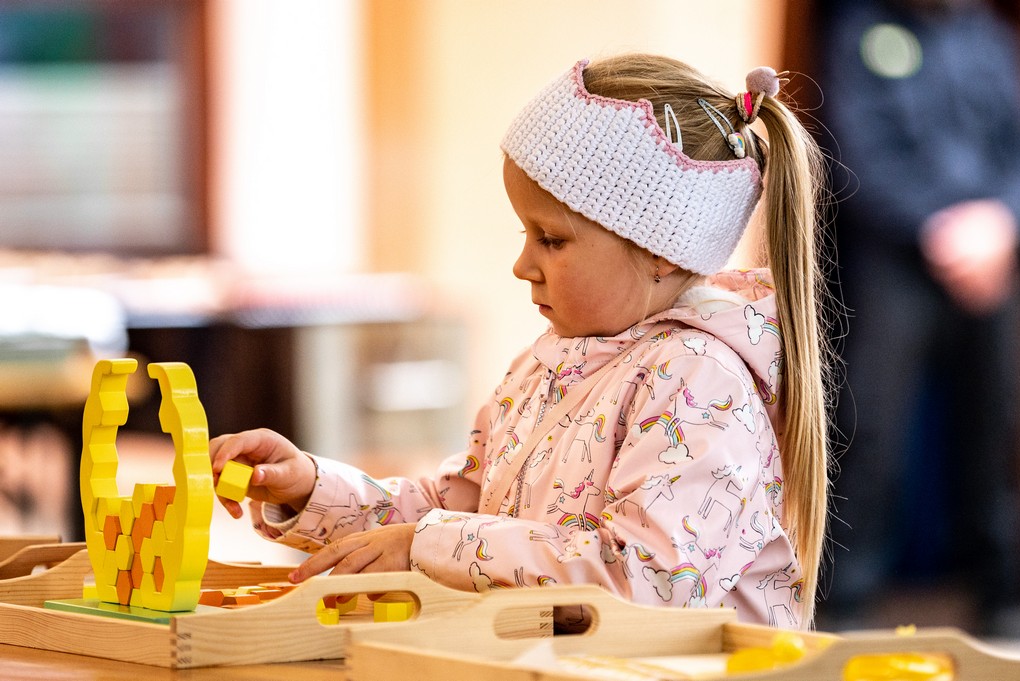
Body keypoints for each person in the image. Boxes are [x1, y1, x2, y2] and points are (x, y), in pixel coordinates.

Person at [210, 53, 834, 628]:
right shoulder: (542, 367)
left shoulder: (702, 381)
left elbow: (649, 582)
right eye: (523, 234)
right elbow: (452, 511)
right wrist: (312, 487)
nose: (522, 265)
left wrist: (429, 546)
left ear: (660, 252)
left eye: (551, 239)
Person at [814, 0, 1020, 633]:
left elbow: (1018, 147)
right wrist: (942, 227)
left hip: (992, 257)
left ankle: (1004, 598)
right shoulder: (860, 28)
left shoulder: (987, 37)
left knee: (998, 423)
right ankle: (844, 602)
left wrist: (1002, 222)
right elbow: (856, 149)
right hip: (896, 257)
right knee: (870, 425)